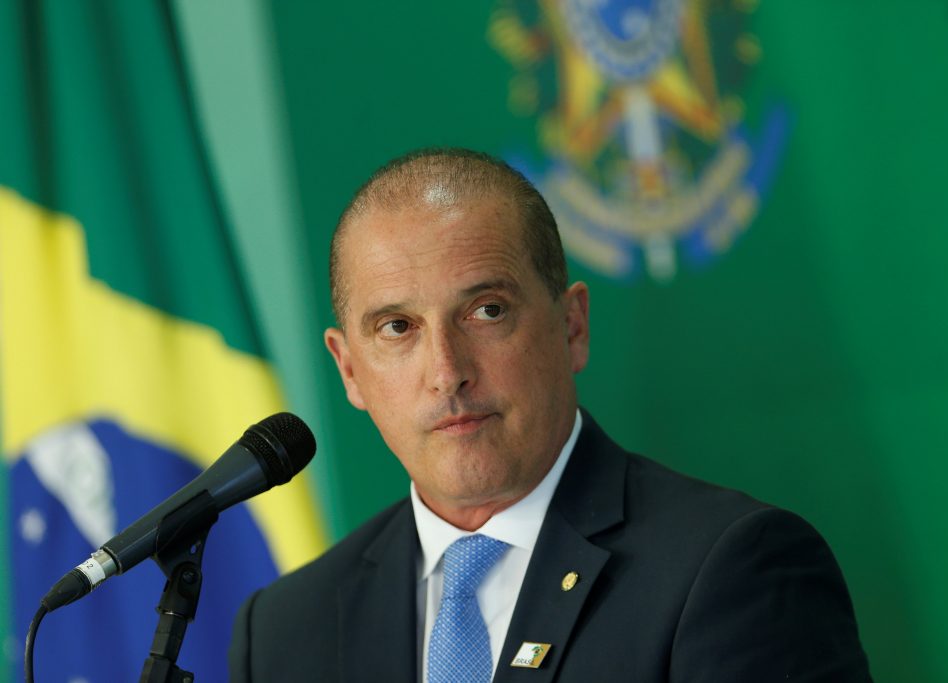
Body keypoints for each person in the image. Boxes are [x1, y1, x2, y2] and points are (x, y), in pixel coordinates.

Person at [228, 148, 872, 682]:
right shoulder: (286, 632)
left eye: (487, 311)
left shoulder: (732, 569)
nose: (447, 371)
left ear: (572, 326)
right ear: (349, 370)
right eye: (398, 327)